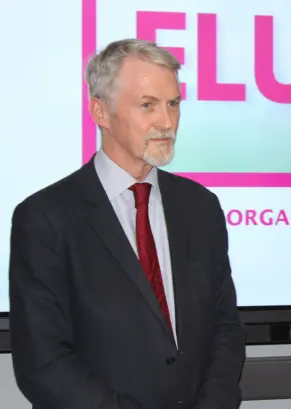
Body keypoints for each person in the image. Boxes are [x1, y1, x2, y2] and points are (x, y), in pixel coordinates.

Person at [9, 39, 246, 409]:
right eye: (147, 105)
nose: (167, 122)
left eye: (173, 104)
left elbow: (225, 329)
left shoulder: (200, 207)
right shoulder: (44, 217)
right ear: (100, 112)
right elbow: (43, 362)